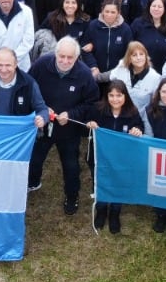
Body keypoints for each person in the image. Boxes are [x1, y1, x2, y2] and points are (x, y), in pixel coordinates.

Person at [28, 37, 101, 216]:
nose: (65, 61)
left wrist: (71, 115)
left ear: (77, 57)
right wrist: (43, 108)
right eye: (62, 56)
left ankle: (72, 196)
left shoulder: (84, 74)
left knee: (70, 165)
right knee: (35, 158)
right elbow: (28, 87)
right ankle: (32, 182)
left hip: (69, 129)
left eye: (70, 57)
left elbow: (92, 103)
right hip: (43, 125)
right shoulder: (41, 65)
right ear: (55, 54)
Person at [86, 81, 145, 234]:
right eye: (111, 95)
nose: (115, 99)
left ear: (125, 96)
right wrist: (90, 124)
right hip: (100, 157)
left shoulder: (132, 112)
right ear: (106, 97)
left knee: (119, 184)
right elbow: (87, 123)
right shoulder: (98, 110)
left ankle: (114, 213)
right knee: (100, 183)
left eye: (119, 95)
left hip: (122, 159)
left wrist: (137, 130)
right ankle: (101, 210)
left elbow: (140, 127)